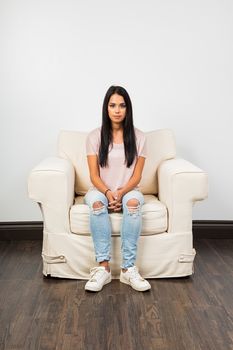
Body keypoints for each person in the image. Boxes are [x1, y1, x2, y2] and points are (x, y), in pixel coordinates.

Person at [84, 85, 151, 292]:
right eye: (112, 105)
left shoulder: (140, 137)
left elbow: (137, 175)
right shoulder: (94, 136)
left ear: (128, 109)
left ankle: (128, 269)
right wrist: (107, 193)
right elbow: (94, 175)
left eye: (122, 106)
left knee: (132, 204)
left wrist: (121, 193)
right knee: (96, 204)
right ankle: (103, 268)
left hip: (129, 189)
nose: (117, 110)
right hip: (100, 189)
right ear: (106, 108)